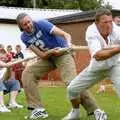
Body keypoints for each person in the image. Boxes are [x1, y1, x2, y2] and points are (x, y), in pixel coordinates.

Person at [16, 13, 104, 120]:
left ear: (32, 20)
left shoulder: (41, 24)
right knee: (28, 73)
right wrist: (50, 52)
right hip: (48, 56)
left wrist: (68, 45)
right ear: (21, 27)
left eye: (29, 22)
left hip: (63, 53)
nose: (28, 25)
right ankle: (38, 109)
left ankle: (96, 110)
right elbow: (42, 55)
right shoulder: (24, 37)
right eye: (25, 24)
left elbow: (66, 35)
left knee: (71, 82)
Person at [63, 8, 120, 120]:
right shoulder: (91, 31)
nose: (109, 25)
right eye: (105, 22)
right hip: (97, 67)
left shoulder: (117, 30)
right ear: (97, 23)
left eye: (110, 22)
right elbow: (98, 56)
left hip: (115, 65)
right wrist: (118, 49)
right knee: (72, 89)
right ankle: (75, 113)